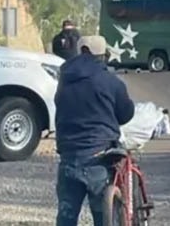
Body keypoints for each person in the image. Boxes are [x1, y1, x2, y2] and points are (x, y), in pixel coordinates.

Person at [54, 35, 135, 226]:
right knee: (103, 217)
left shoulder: (65, 79)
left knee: (66, 217)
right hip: (98, 157)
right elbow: (126, 114)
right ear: (103, 55)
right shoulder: (111, 81)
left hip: (68, 157)